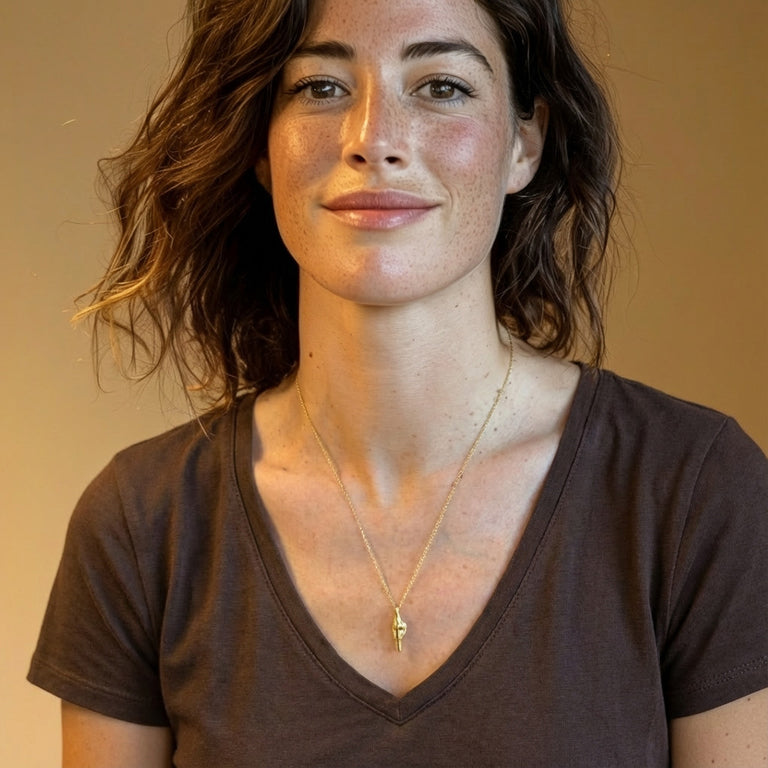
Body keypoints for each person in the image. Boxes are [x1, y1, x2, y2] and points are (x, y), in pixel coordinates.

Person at [28, 0, 768, 765]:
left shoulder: (696, 491)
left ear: (524, 141)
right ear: (260, 147)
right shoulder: (142, 523)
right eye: (320, 87)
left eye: (441, 86)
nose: (373, 140)